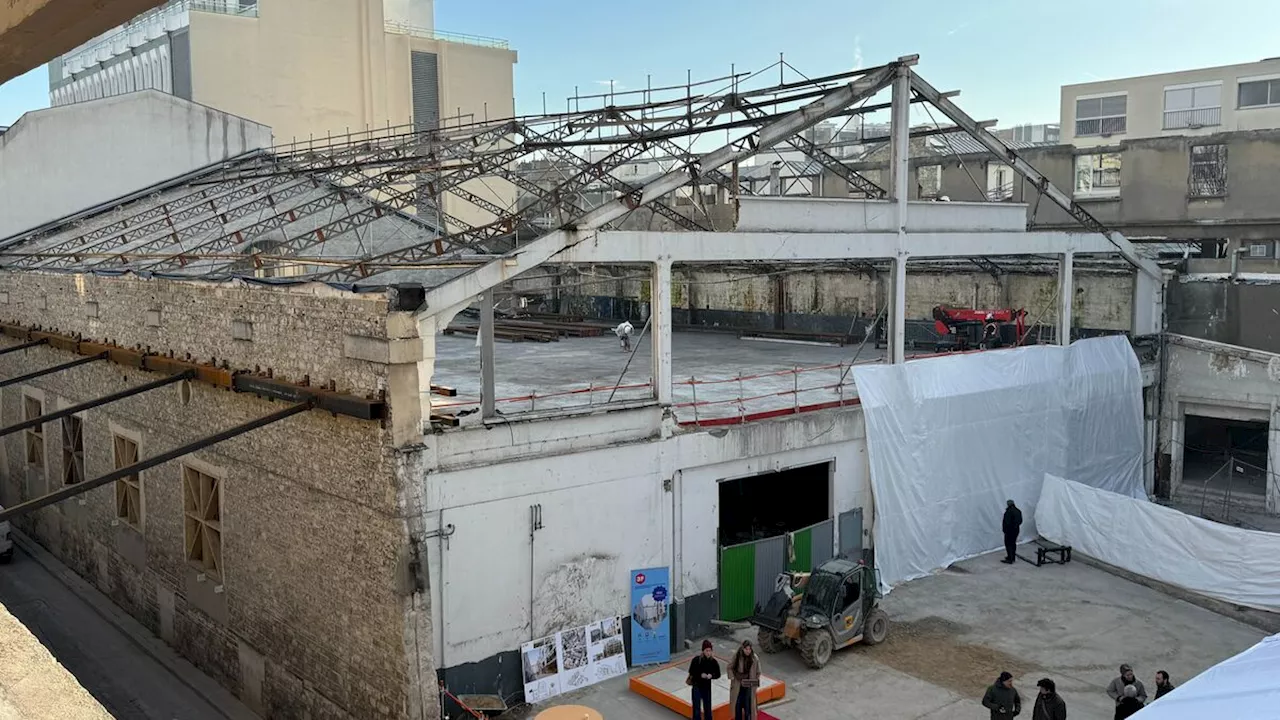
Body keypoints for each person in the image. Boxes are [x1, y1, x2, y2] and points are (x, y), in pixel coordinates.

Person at [686, 640, 721, 720]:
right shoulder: (696, 660)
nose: (708, 653)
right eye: (707, 651)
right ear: (703, 651)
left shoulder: (713, 662)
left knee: (707, 708)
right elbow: (691, 671)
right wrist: (700, 675)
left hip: (707, 688)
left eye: (710, 651)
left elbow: (718, 674)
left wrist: (711, 676)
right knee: (696, 709)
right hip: (697, 686)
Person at [727, 640, 760, 720]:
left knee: (748, 709)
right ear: (743, 648)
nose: (748, 651)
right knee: (737, 708)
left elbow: (758, 673)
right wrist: (732, 677)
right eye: (746, 649)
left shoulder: (754, 658)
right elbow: (729, 667)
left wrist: (754, 685)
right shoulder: (737, 656)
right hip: (738, 686)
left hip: (748, 686)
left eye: (749, 649)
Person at [1001, 500, 1023, 564]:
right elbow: (1020, 521)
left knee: (1008, 544)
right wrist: (1015, 525)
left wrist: (1005, 529)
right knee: (1013, 543)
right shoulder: (1018, 511)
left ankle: (1010, 559)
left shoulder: (1009, 512)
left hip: (1009, 531)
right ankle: (1012, 557)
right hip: (1016, 530)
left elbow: (1007, 522)